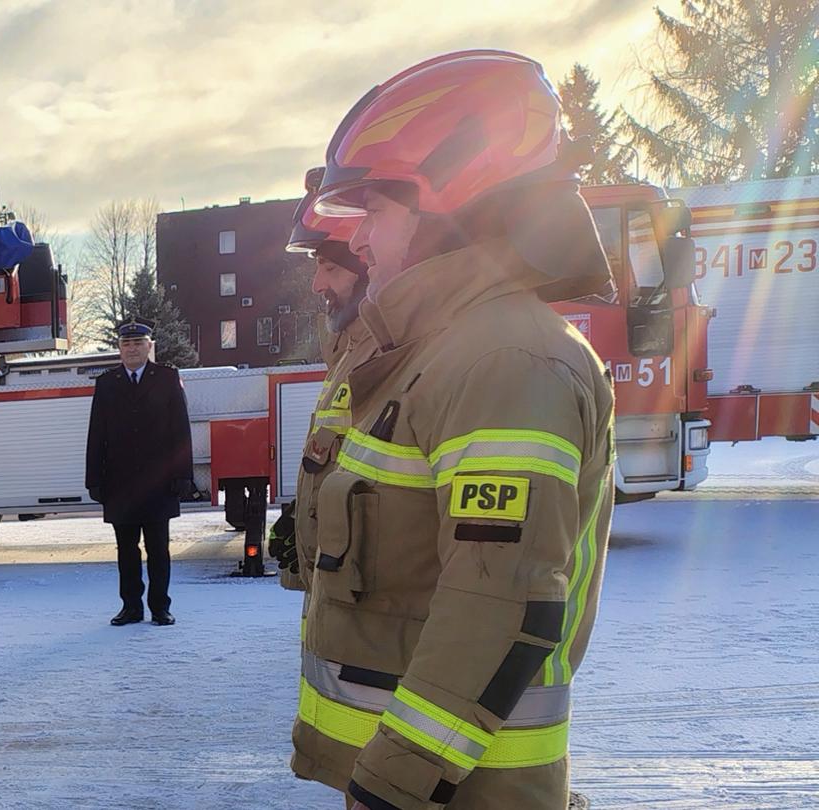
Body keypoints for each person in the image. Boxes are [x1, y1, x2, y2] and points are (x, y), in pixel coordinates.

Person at [295, 50, 616, 810]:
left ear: (450, 201)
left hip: (454, 791)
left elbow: (499, 604)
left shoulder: (507, 361)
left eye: (374, 211)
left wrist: (396, 780)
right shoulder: (441, 352)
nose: (359, 240)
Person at [270, 167, 372, 592]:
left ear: (369, 268)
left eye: (330, 268)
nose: (316, 284)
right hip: (339, 601)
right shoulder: (349, 351)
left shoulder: (391, 355)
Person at [84, 320, 192, 627]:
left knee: (159, 549)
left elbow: (180, 430)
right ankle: (131, 607)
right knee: (126, 551)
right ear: (119, 349)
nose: (132, 349)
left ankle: (160, 607)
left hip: (159, 482)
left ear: (149, 346)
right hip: (121, 484)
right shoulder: (107, 383)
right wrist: (94, 479)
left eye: (138, 343)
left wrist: (182, 474)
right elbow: (97, 435)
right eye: (126, 344)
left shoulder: (167, 378)